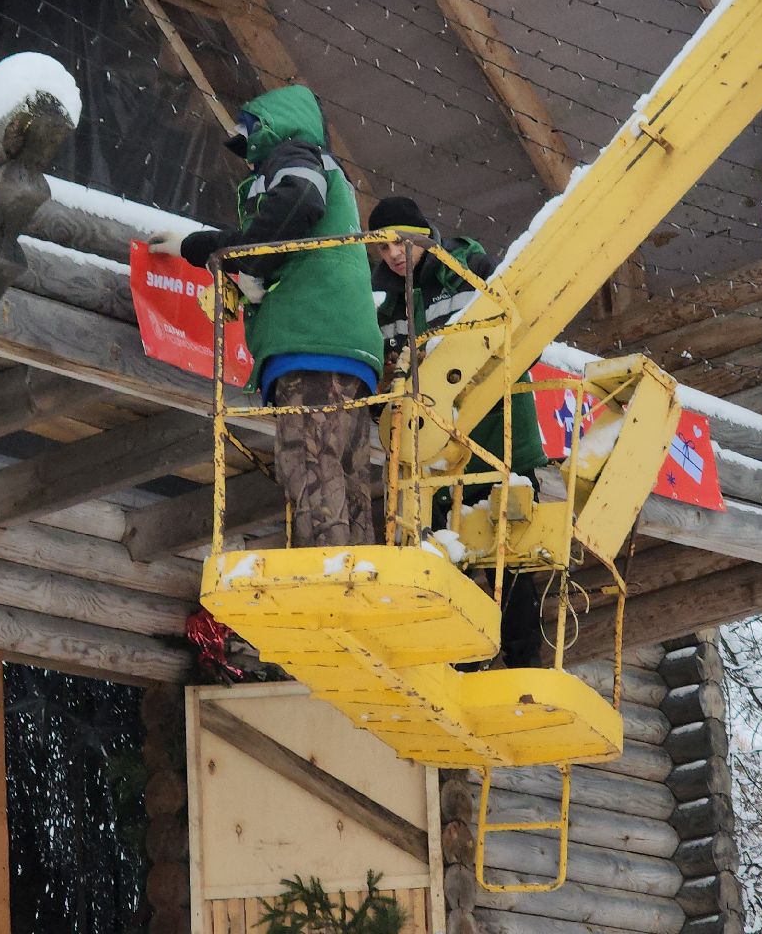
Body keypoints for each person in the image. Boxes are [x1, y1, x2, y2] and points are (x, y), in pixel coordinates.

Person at [148, 86, 385, 549]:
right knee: (346, 479)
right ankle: (355, 568)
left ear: (270, 127)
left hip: (310, 340)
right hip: (349, 349)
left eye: (250, 140)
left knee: (308, 464)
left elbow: (297, 203)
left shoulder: (294, 153)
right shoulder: (333, 174)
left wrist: (226, 254)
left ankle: (329, 574)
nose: (249, 159)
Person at [370, 197, 549, 668]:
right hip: (435, 451)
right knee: (450, 555)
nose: (392, 253)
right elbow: (384, 378)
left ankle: (522, 665)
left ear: (424, 234)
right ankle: (463, 664)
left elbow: (520, 334)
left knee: (506, 557)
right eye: (383, 246)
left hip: (500, 435)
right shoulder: (382, 302)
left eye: (400, 241)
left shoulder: (466, 267)